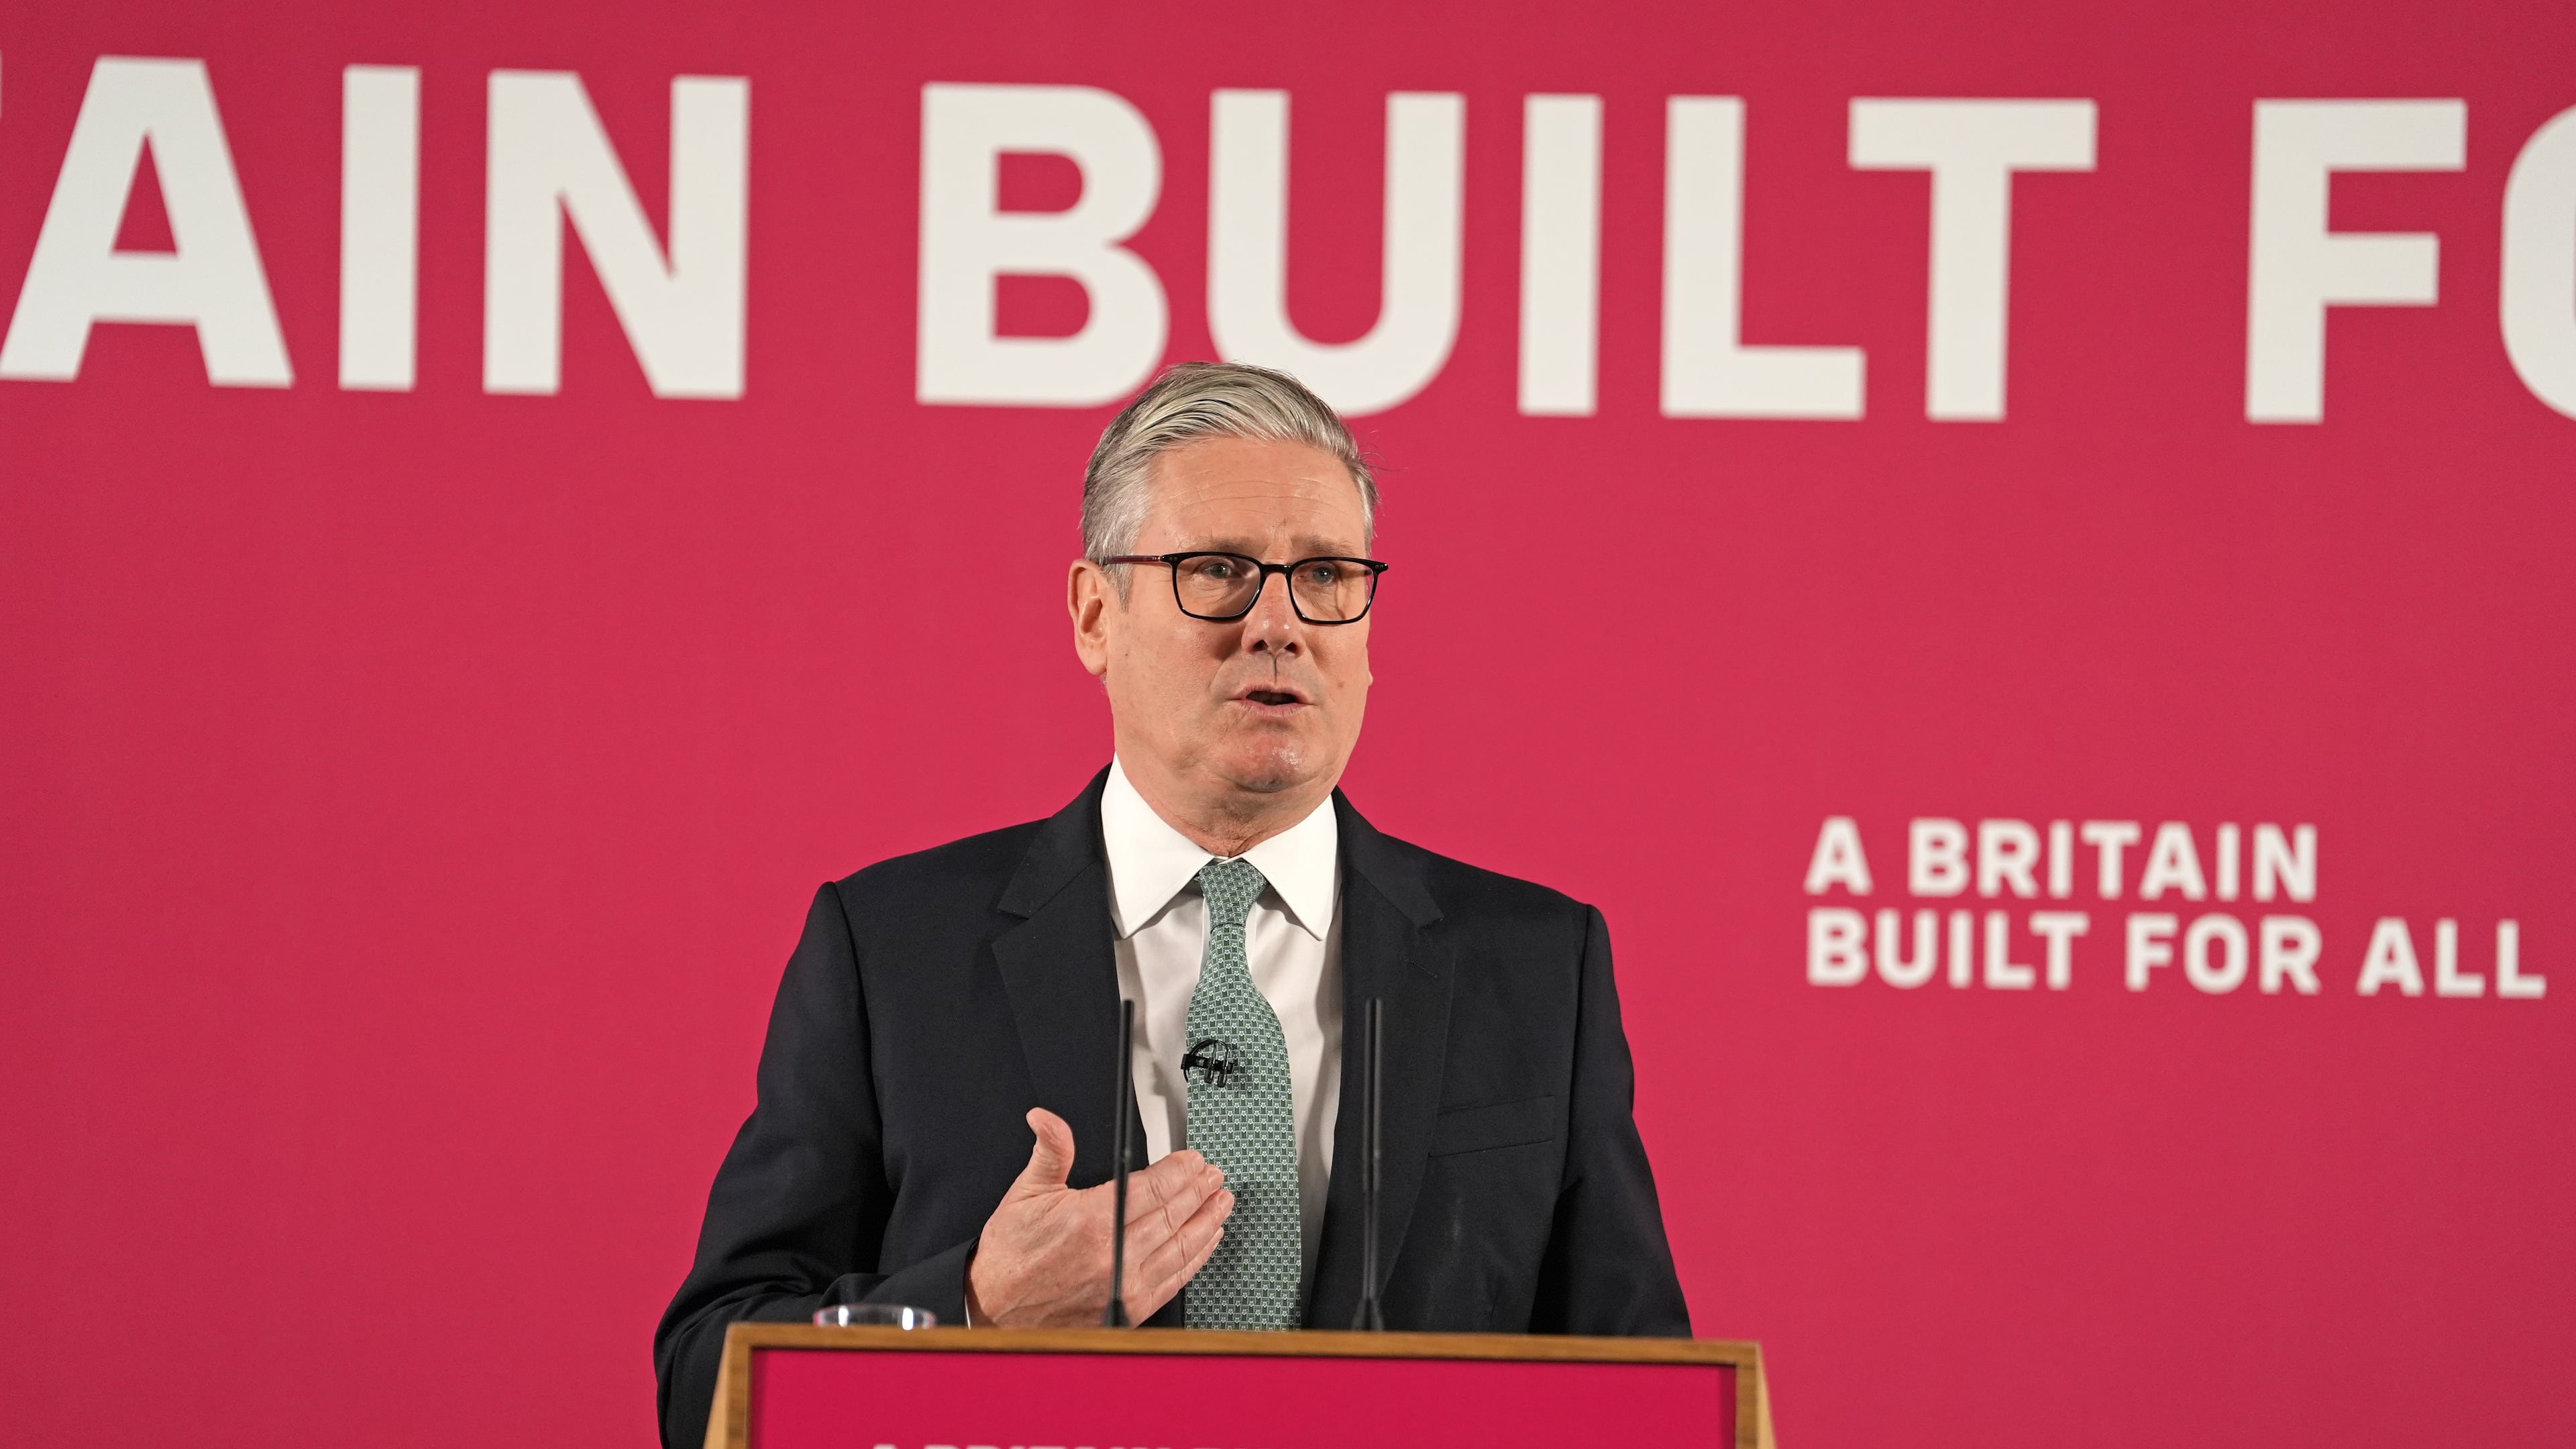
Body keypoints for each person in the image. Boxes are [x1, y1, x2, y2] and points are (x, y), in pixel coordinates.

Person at [653, 362, 1688, 1447]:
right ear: (1096, 614)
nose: (1279, 625)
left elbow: (1649, 1395)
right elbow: (706, 1382)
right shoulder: (893, 948)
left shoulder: (1533, 966)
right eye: (1217, 572)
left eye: (1327, 575)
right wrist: (974, 1310)